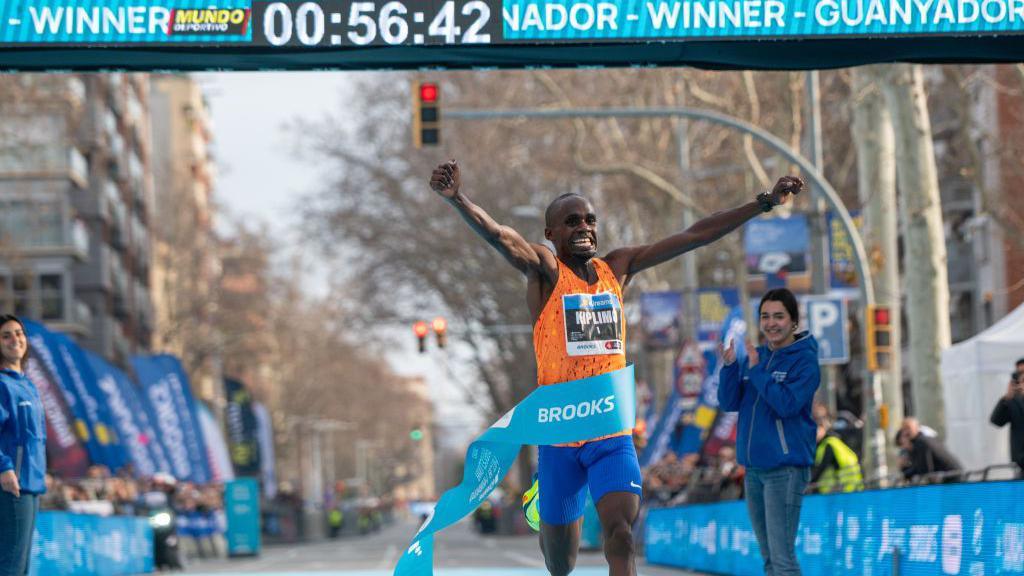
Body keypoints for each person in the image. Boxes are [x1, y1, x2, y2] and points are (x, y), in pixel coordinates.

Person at [430, 159, 802, 576]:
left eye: (590, 219)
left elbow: (696, 235)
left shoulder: (617, 268)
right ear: (551, 234)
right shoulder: (546, 272)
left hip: (610, 433)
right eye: (572, 222)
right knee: (560, 564)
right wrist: (458, 199)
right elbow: (501, 236)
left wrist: (765, 202)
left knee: (621, 536)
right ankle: (544, 498)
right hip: (560, 437)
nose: (584, 227)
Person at [718, 288, 820, 576]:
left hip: (785, 471)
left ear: (793, 322)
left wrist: (758, 372)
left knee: (783, 559)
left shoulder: (805, 361)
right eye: (765, 316)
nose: (771, 323)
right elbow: (729, 402)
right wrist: (729, 367)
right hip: (754, 471)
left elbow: (787, 405)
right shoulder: (756, 356)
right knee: (769, 561)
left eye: (779, 316)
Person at [0, 314, 46, 576]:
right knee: (10, 566)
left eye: (18, 333)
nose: (14, 339)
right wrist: (4, 468)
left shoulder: (28, 385)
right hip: (12, 485)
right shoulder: (2, 384)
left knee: (21, 565)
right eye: (6, 335)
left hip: (31, 483)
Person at [897, 417, 963, 484]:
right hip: (952, 476)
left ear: (917, 428)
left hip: (952, 477)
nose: (906, 432)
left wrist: (905, 472)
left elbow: (925, 469)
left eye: (908, 428)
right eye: (904, 429)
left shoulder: (921, 442)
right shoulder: (922, 440)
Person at [990, 359, 1024, 474]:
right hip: (1021, 464)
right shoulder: (1014, 400)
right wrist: (1006, 398)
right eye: (1018, 375)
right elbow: (996, 421)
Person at [810, 419, 863, 493]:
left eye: (815, 431)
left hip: (843, 488)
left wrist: (809, 482)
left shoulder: (828, 444)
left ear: (822, 428)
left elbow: (820, 468)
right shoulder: (833, 441)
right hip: (852, 486)